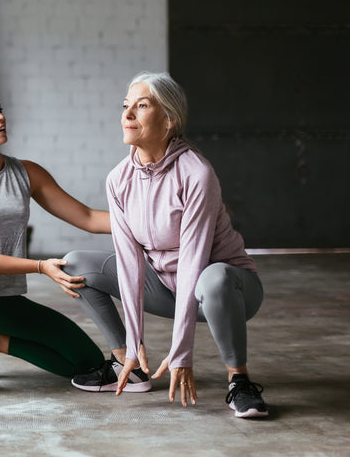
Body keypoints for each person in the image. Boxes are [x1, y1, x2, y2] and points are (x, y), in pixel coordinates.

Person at [63, 72, 269, 418]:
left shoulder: (196, 174)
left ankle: (239, 381)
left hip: (227, 291)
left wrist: (181, 352)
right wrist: (133, 346)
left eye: (141, 106)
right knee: (75, 265)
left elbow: (193, 261)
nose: (127, 115)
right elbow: (129, 262)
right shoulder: (118, 179)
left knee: (213, 278)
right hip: (167, 287)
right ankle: (129, 367)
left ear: (170, 119)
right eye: (126, 106)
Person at [0, 86, 110, 400]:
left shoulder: (26, 173)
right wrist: (41, 267)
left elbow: (87, 217)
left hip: (3, 298)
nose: (1, 117)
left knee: (90, 366)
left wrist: (147, 221)